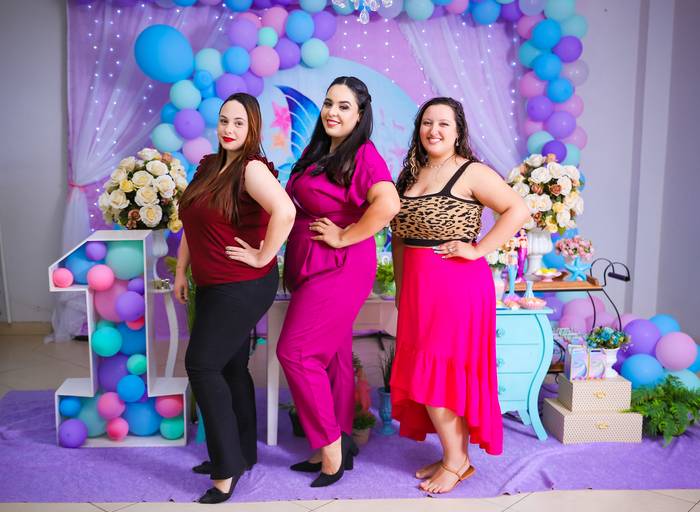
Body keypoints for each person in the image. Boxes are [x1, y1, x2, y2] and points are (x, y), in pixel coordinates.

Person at [389, 97, 530, 494]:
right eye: (427, 123)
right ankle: (455, 455)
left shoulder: (472, 172)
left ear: (458, 132)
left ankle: (456, 462)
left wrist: (478, 249)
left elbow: (518, 211)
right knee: (429, 371)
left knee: (440, 372)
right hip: (418, 288)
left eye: (443, 124)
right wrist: (400, 287)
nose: (433, 130)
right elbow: (399, 238)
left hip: (457, 286)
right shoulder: (409, 175)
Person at [277, 76, 400, 487]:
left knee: (296, 352)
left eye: (344, 106)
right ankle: (340, 440)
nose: (332, 112)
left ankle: (330, 446)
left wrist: (345, 236)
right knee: (332, 356)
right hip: (311, 263)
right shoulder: (319, 151)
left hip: (340, 265)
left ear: (360, 115)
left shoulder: (362, 153)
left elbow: (388, 203)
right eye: (329, 103)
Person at [175, 93, 295, 504]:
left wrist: (263, 256)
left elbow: (286, 212)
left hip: (243, 284)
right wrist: (181, 270)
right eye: (224, 120)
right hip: (213, 282)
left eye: (238, 123)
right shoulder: (210, 166)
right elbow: (192, 222)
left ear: (253, 128)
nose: (229, 129)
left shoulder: (251, 169)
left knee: (202, 365)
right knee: (228, 367)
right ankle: (243, 452)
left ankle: (225, 468)